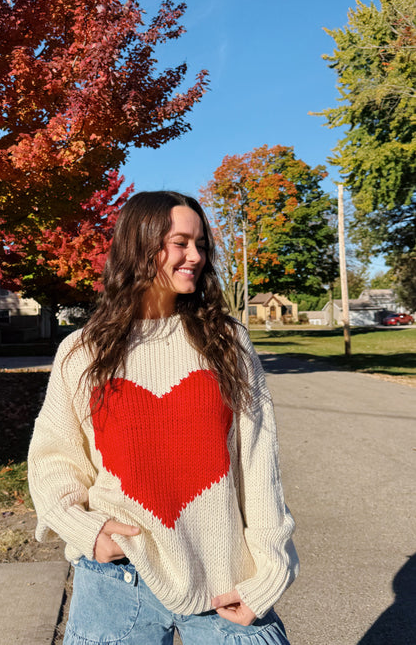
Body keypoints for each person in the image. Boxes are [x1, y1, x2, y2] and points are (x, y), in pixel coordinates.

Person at [28, 191, 299, 644]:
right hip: (117, 583)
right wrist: (87, 532)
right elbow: (54, 458)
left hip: (224, 582)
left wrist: (271, 572)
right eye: (181, 242)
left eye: (201, 244)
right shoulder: (83, 350)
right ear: (141, 245)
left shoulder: (227, 344)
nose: (196, 256)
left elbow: (259, 466)